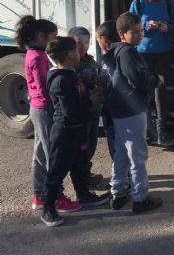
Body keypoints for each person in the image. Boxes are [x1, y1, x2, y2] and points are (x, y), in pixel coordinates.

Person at [14, 16, 83, 214]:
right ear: (40, 36)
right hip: (44, 108)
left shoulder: (34, 53)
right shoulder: (37, 57)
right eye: (52, 37)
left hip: (38, 107)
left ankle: (40, 194)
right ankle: (56, 197)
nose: (54, 40)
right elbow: (46, 88)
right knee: (52, 154)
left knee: (41, 153)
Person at [40, 36, 110, 227]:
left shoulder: (71, 73)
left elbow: (79, 93)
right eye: (76, 49)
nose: (80, 52)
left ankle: (84, 194)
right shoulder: (60, 80)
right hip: (64, 132)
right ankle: (48, 207)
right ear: (70, 55)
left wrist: (91, 88)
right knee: (57, 170)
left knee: (80, 163)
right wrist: (91, 100)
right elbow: (70, 110)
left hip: (78, 128)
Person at [103, 11, 164, 213]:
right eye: (134, 32)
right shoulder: (128, 53)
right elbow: (138, 79)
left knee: (121, 153)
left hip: (120, 111)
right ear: (122, 34)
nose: (139, 35)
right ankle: (141, 198)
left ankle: (118, 193)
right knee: (137, 156)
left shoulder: (117, 51)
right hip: (132, 110)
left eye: (141, 31)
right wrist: (156, 80)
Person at [129, 0, 174, 146]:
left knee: (160, 92)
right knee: (146, 92)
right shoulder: (138, 3)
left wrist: (167, 28)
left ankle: (160, 132)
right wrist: (145, 25)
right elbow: (130, 26)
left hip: (163, 51)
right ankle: (146, 132)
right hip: (143, 53)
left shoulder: (167, 1)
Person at [68, 26, 104, 189]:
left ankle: (86, 173)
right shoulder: (71, 65)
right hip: (83, 112)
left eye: (87, 42)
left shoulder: (91, 61)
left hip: (94, 111)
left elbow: (99, 75)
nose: (83, 46)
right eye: (79, 42)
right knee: (81, 147)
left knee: (91, 145)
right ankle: (82, 179)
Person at [96, 21, 118, 159]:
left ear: (104, 39)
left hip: (112, 105)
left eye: (98, 39)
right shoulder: (122, 53)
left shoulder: (110, 57)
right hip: (119, 106)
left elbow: (107, 79)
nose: (98, 43)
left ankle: (122, 176)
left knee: (115, 140)